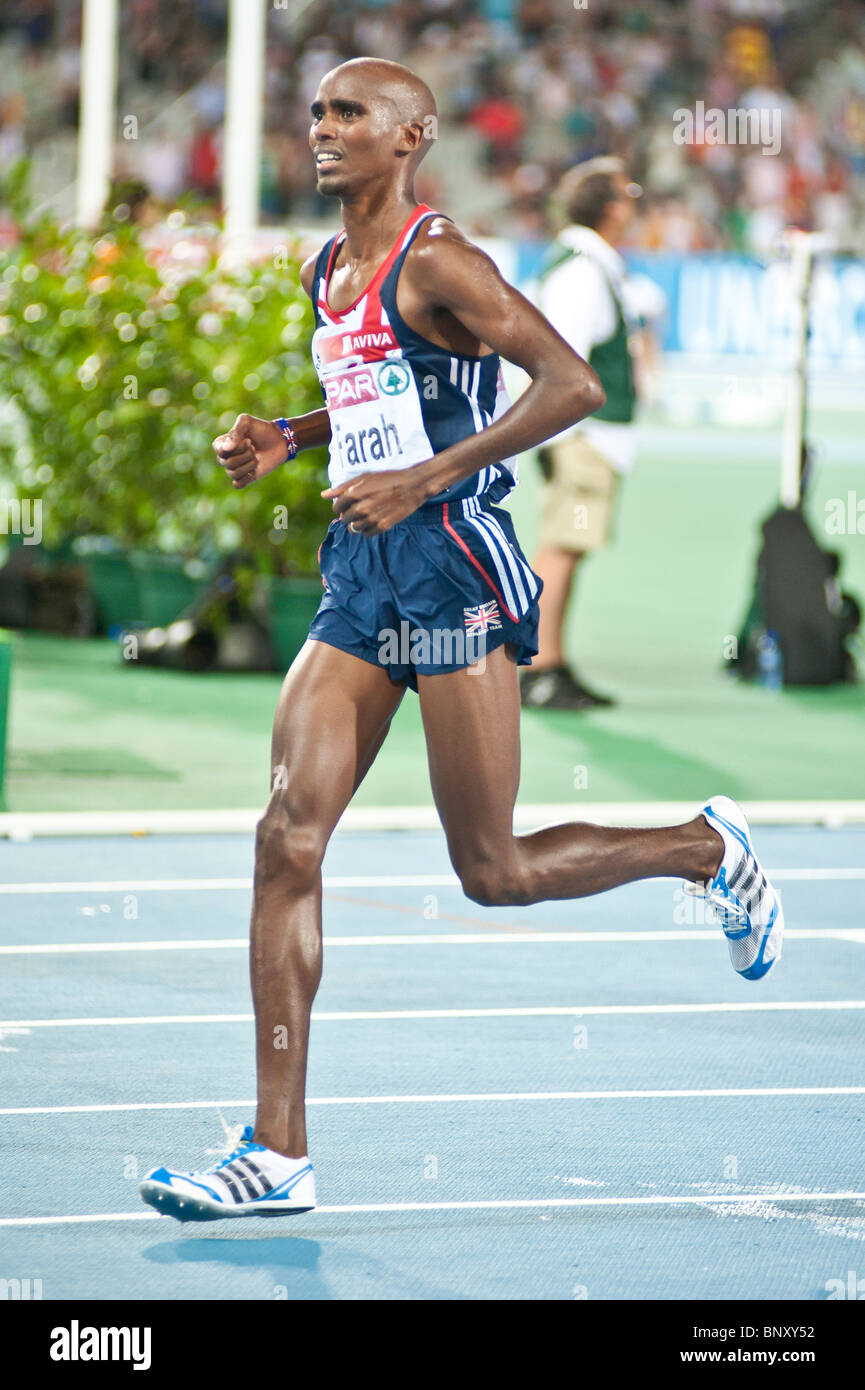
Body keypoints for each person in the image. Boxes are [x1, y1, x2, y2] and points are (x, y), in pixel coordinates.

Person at [139, 59, 784, 1223]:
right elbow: (382, 380)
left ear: (412, 138)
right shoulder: (324, 264)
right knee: (287, 836)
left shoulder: (441, 259)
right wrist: (291, 433)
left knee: (493, 871)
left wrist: (422, 478)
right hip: (362, 574)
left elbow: (570, 384)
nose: (323, 129)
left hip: (448, 573)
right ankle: (277, 1151)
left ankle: (703, 848)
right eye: (319, 112)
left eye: (351, 115)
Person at [521, 156, 643, 712]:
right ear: (611, 208)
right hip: (582, 436)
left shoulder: (580, 263)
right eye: (628, 194)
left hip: (580, 435)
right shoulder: (582, 269)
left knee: (568, 547)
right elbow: (563, 362)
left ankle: (549, 663)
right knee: (562, 548)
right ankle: (541, 666)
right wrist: (554, 440)